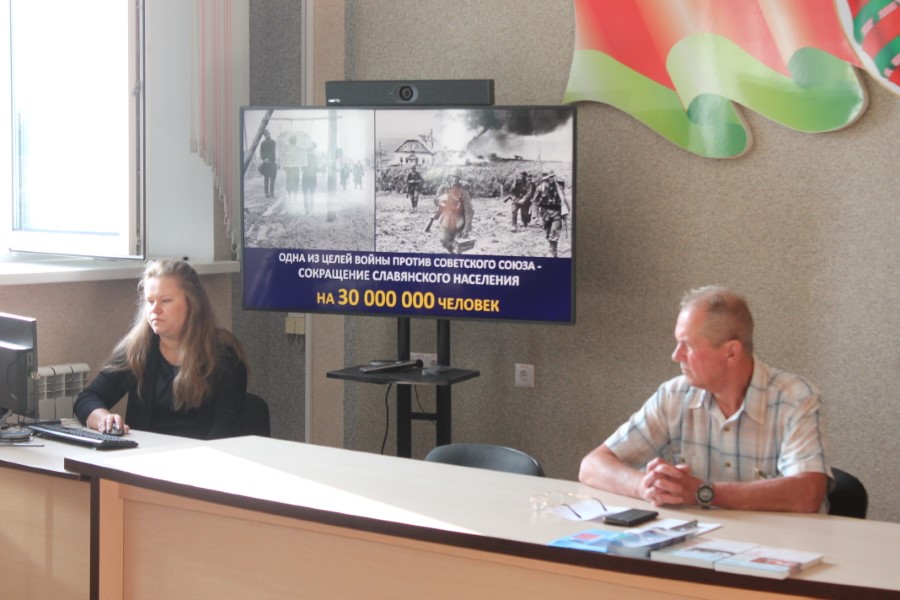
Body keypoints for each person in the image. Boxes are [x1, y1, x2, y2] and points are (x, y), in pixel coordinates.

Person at [579, 286, 831, 513]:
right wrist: (646, 487)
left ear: (731, 352)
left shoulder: (795, 398)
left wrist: (703, 492)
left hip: (777, 544)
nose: (676, 355)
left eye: (687, 345)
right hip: (697, 542)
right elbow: (592, 466)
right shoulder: (674, 395)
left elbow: (808, 493)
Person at [74, 259, 249, 440]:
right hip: (145, 453)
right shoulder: (138, 348)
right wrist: (104, 419)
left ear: (192, 304)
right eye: (150, 301)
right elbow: (87, 398)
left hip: (201, 453)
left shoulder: (223, 356)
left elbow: (224, 432)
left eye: (165, 301)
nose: (155, 310)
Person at [430, 168, 474, 253]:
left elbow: (469, 210)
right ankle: (451, 252)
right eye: (452, 176)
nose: (454, 179)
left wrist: (467, 228)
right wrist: (441, 198)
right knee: (444, 241)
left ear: (459, 179)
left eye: (456, 177)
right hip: (445, 219)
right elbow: (435, 199)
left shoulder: (463, 191)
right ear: (449, 177)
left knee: (458, 244)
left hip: (459, 221)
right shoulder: (444, 188)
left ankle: (456, 256)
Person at [534, 171, 570, 257]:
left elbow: (564, 200)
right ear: (545, 179)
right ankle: (554, 251)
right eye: (549, 177)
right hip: (545, 213)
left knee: (554, 231)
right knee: (548, 232)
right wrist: (535, 215)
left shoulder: (559, 187)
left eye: (552, 177)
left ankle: (551, 251)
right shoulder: (540, 188)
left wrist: (566, 211)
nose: (551, 179)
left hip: (557, 212)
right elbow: (534, 201)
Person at [301, 142, 319, 214]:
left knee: (305, 194)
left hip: (305, 177)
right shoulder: (314, 157)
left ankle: (306, 209)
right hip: (312, 178)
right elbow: (317, 169)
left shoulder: (304, 158)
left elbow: (302, 168)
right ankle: (311, 209)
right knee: (312, 194)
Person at [259, 130, 277, 198]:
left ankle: (266, 193)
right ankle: (271, 193)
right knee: (272, 178)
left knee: (266, 178)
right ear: (269, 134)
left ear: (264, 136)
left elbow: (261, 152)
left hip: (265, 163)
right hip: (271, 162)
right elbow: (273, 151)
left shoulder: (262, 143)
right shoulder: (273, 142)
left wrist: (264, 159)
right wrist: (269, 158)